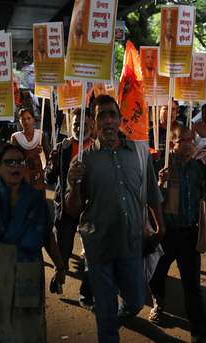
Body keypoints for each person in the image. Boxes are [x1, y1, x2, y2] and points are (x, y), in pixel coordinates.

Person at [66, 94, 165, 343]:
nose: (108, 120)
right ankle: (108, 329)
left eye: (112, 114)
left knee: (134, 302)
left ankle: (111, 324)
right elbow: (73, 209)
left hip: (132, 244)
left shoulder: (139, 153)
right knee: (106, 309)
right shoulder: (83, 159)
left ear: (120, 119)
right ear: (92, 121)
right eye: (102, 115)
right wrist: (75, 184)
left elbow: (152, 193)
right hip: (99, 245)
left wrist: (160, 228)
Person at [0, 143, 66, 343]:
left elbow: (47, 238)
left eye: (20, 161)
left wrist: (60, 267)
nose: (15, 166)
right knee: (2, 333)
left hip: (28, 279)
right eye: (9, 162)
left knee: (29, 331)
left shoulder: (37, 199)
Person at [150, 124, 206, 342]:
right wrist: (160, 184)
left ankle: (199, 330)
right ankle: (158, 303)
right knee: (158, 275)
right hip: (167, 234)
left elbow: (198, 193)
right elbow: (151, 200)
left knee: (192, 285)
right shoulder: (161, 167)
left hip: (190, 234)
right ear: (173, 143)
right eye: (184, 140)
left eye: (191, 140)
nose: (189, 145)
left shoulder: (196, 167)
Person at [45, 107, 94, 310]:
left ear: (91, 124)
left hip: (90, 214)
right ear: (70, 124)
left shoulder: (98, 150)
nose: (78, 127)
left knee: (93, 258)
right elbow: (49, 180)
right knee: (62, 252)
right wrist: (53, 166)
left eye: (83, 123)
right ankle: (59, 274)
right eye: (75, 123)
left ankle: (86, 295)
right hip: (65, 211)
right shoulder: (62, 147)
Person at [11, 108, 51, 191]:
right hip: (22, 175)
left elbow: (48, 156)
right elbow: (13, 160)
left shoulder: (41, 136)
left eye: (29, 118)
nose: (26, 121)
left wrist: (45, 171)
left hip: (38, 173)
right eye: (23, 119)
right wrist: (32, 154)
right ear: (20, 121)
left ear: (33, 119)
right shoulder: (16, 138)